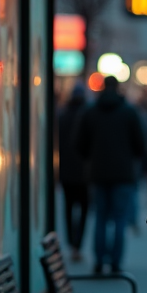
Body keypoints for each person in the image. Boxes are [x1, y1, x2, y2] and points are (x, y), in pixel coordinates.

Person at [76, 74, 143, 274]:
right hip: (123, 174)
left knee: (101, 218)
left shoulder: (90, 112)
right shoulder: (129, 112)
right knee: (120, 219)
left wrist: (92, 158)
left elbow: (79, 143)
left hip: (97, 173)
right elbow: (140, 145)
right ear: (119, 88)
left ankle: (98, 261)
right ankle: (115, 262)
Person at [57, 84, 89, 261]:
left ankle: (71, 243)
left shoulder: (62, 116)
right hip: (85, 173)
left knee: (68, 208)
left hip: (66, 172)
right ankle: (78, 244)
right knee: (84, 209)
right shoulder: (87, 116)